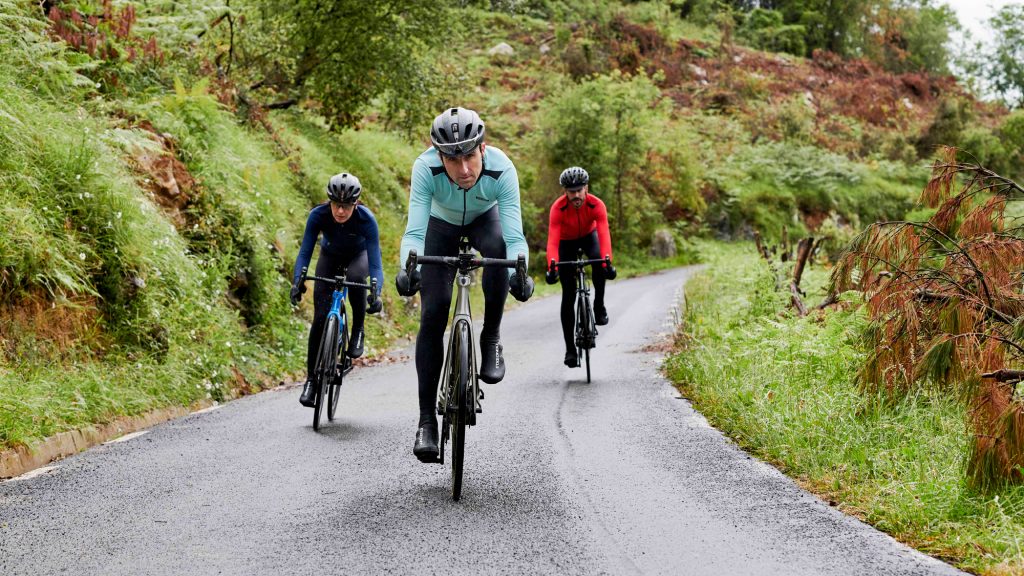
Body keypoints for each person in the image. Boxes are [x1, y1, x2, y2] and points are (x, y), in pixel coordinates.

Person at [395, 107, 534, 463]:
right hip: (440, 229)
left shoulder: (502, 168)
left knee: (500, 251)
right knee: (433, 314)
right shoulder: (425, 168)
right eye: (453, 161)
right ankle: (426, 421)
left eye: (470, 157)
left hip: (484, 221)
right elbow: (414, 232)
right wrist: (408, 267)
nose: (465, 170)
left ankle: (491, 337)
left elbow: (516, 237)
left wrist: (521, 272)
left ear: (482, 149)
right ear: (439, 156)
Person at [290, 173, 384, 408]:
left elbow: (375, 263)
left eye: (346, 206)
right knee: (320, 317)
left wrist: (376, 291)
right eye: (336, 205)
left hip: (357, 256)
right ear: (329, 201)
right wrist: (297, 282)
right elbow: (304, 253)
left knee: (355, 277)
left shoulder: (366, 220)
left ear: (355, 204)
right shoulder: (318, 215)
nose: (340, 211)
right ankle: (311, 381)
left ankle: (358, 329)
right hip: (329, 257)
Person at [544, 166, 617, 368]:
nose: (576, 195)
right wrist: (552, 268)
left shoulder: (596, 205)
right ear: (565, 192)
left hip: (588, 237)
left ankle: (599, 305)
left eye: (579, 190)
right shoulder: (558, 209)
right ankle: (570, 350)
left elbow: (603, 235)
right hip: (565, 243)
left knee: (598, 263)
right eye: (571, 191)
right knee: (568, 294)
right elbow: (552, 241)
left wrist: (607, 262)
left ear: (586, 188)